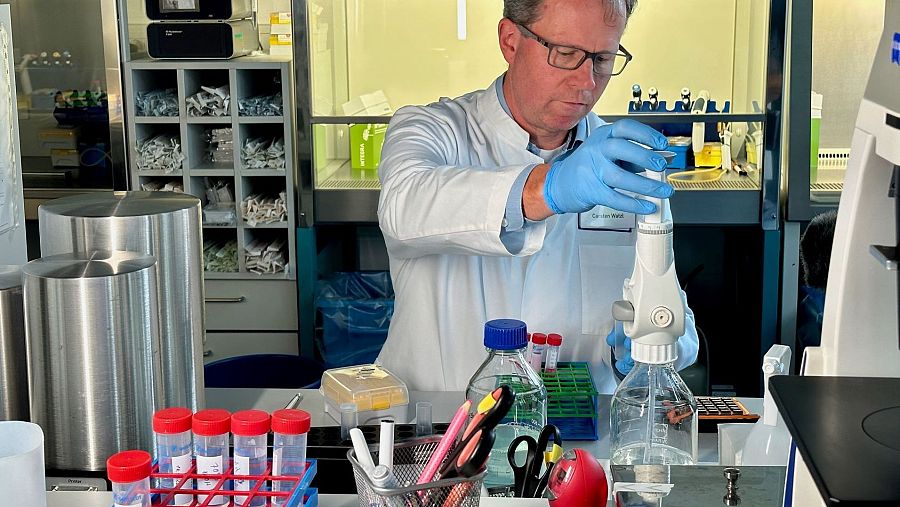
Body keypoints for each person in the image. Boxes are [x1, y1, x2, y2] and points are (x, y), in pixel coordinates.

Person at [376, 0, 699, 392]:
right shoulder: (433, 130)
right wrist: (546, 187)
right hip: (436, 429)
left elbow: (676, 322)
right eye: (565, 54)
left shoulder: (622, 165)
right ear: (510, 40)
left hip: (579, 438)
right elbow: (403, 210)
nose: (586, 82)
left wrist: (648, 340)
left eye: (602, 58)